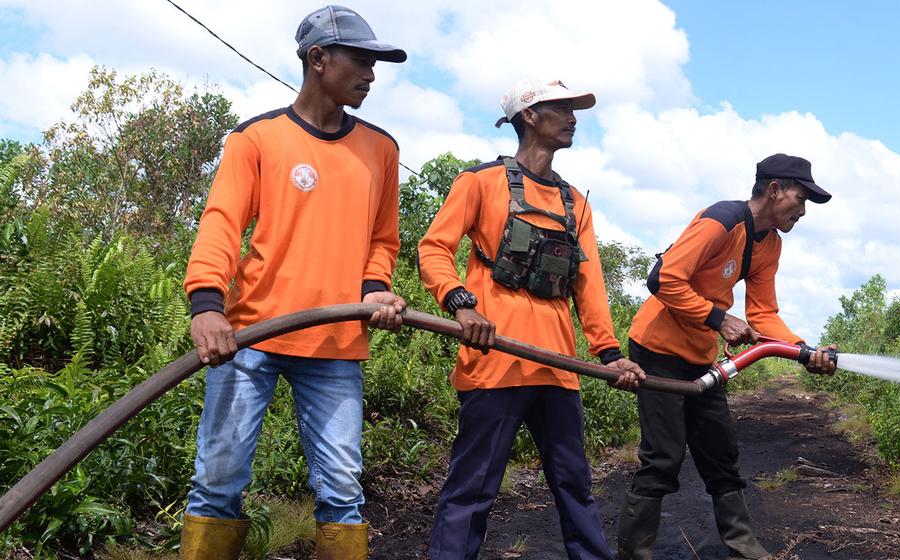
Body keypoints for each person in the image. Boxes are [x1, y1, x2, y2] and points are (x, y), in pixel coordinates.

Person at [177, 6, 407, 558]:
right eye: (362, 61)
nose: (371, 76)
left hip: (335, 342)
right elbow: (222, 223)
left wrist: (375, 288)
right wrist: (206, 303)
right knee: (218, 482)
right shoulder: (256, 139)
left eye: (376, 64)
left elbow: (384, 239)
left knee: (343, 491)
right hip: (250, 336)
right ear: (318, 58)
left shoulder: (381, 149)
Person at [418, 78, 645, 560]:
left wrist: (610, 355)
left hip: (559, 370)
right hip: (496, 363)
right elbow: (434, 249)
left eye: (573, 109)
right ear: (529, 117)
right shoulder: (479, 183)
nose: (572, 117)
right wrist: (462, 303)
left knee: (575, 488)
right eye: (560, 108)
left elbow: (589, 287)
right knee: (472, 491)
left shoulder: (574, 203)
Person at [617, 154, 839, 560]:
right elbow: (662, 279)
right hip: (656, 350)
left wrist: (804, 351)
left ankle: (742, 545)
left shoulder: (770, 244)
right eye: (800, 198)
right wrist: (718, 318)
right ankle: (635, 553)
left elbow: (763, 314)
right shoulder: (722, 220)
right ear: (774, 190)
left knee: (721, 452)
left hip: (701, 358)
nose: (803, 211)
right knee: (663, 456)